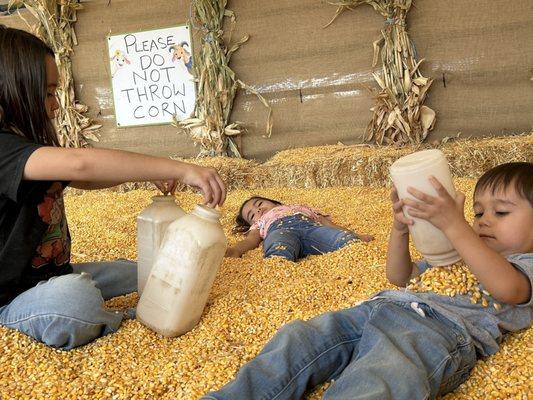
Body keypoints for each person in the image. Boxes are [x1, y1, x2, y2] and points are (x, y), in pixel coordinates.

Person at [203, 162, 533, 400]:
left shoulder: (522, 264)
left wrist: (455, 226)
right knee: (300, 340)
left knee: (381, 377)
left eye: (501, 213)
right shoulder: (460, 253)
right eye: (477, 213)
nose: (484, 221)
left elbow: (509, 289)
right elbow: (400, 276)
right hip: (379, 307)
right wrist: (401, 228)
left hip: (434, 332)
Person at [0, 26, 226, 350]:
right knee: (75, 300)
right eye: (48, 93)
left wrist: (145, 175)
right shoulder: (4, 150)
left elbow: (86, 178)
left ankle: (87, 299)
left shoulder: (31, 152)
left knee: (142, 272)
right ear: (13, 90)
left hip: (53, 274)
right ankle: (121, 319)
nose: (55, 105)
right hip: (10, 299)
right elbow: (81, 164)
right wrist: (179, 167)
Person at [225, 196, 374, 261]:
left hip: (311, 228)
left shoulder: (297, 207)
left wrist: (353, 234)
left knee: (345, 240)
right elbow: (251, 240)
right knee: (278, 253)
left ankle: (350, 240)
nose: (257, 211)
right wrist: (236, 250)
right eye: (252, 215)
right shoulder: (260, 223)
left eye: (259, 204)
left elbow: (325, 223)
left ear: (275, 204)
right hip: (279, 231)